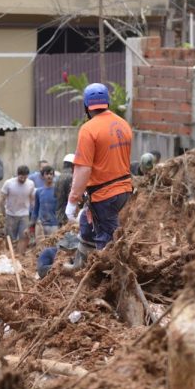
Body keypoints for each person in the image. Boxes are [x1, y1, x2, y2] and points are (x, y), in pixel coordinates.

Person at [64, 83, 133, 270]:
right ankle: (81, 265)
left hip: (105, 194)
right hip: (123, 190)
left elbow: (83, 169)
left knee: (106, 239)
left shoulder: (88, 129)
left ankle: (105, 281)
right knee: (88, 228)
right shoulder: (123, 124)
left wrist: (72, 200)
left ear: (86, 106)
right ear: (107, 103)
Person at [0, 165, 35, 255]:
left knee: (23, 236)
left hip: (24, 214)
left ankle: (19, 256)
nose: (22, 179)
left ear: (27, 176)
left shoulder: (30, 184)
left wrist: (33, 213)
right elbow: (2, 198)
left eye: (25, 177)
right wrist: (1, 213)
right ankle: (10, 255)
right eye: (21, 177)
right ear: (17, 175)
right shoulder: (9, 183)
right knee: (10, 238)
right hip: (10, 214)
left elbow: (32, 199)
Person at [31, 166, 59, 237]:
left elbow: (61, 208)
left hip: (54, 225)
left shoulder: (58, 191)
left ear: (53, 176)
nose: (49, 176)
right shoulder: (39, 191)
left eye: (51, 174)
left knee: (53, 247)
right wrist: (31, 225)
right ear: (43, 176)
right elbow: (36, 209)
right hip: (41, 225)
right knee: (40, 247)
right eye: (47, 174)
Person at [55, 153, 74, 225]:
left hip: (59, 214)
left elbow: (55, 195)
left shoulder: (58, 177)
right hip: (69, 215)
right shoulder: (72, 177)